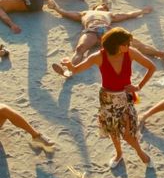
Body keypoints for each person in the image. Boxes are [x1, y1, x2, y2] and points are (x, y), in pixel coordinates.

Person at [57, 27, 156, 168]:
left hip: (125, 97)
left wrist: (139, 86)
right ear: (116, 45)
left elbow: (152, 67)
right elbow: (76, 69)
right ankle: (119, 154)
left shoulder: (130, 53)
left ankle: (141, 153)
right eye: (126, 43)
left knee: (128, 135)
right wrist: (69, 65)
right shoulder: (99, 56)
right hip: (107, 98)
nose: (129, 46)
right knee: (113, 130)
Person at [48, 0, 164, 75]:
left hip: (107, 31)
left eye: (106, 6)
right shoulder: (85, 13)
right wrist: (56, 8)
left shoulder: (110, 15)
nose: (104, 6)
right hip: (91, 30)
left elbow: (127, 15)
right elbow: (65, 13)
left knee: (135, 43)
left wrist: (142, 11)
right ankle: (68, 71)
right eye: (103, 5)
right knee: (80, 48)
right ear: (95, 6)